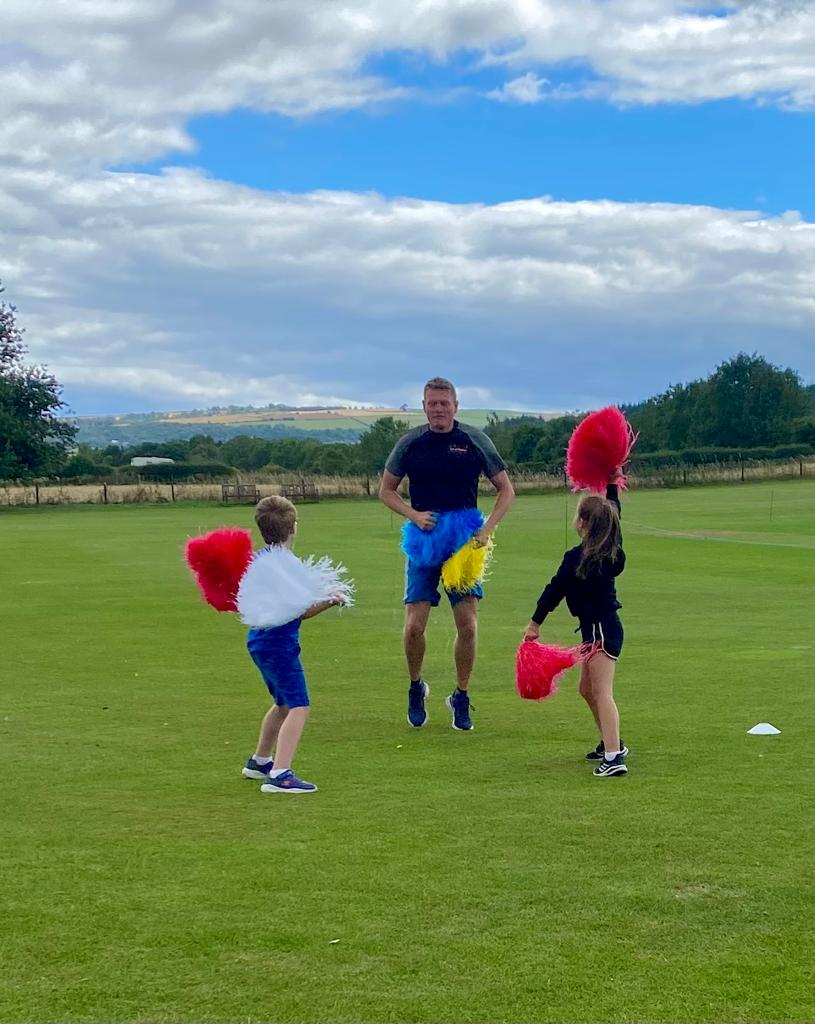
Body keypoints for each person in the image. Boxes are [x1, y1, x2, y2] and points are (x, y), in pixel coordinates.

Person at [379, 377, 515, 731]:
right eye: (432, 403)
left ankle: (461, 695)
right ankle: (415, 686)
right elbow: (386, 491)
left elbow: (506, 490)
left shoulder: (474, 440)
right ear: (423, 406)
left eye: (444, 403)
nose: (438, 409)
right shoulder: (410, 443)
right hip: (424, 538)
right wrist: (413, 515)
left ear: (456, 405)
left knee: (468, 625)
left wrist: (487, 530)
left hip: (464, 541)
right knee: (413, 627)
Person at [523, 474, 629, 777]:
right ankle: (613, 743)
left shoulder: (576, 559)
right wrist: (611, 481)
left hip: (599, 630)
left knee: (602, 692)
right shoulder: (612, 552)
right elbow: (614, 515)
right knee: (587, 689)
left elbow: (554, 590)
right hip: (600, 628)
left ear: (583, 522)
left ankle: (614, 757)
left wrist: (534, 623)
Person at [241, 496, 345, 794]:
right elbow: (300, 609)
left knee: (283, 703)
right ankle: (280, 773)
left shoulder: (260, 560)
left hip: (259, 641)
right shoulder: (287, 566)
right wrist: (330, 600)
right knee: (299, 706)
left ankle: (260, 761)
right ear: (293, 527)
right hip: (279, 645)